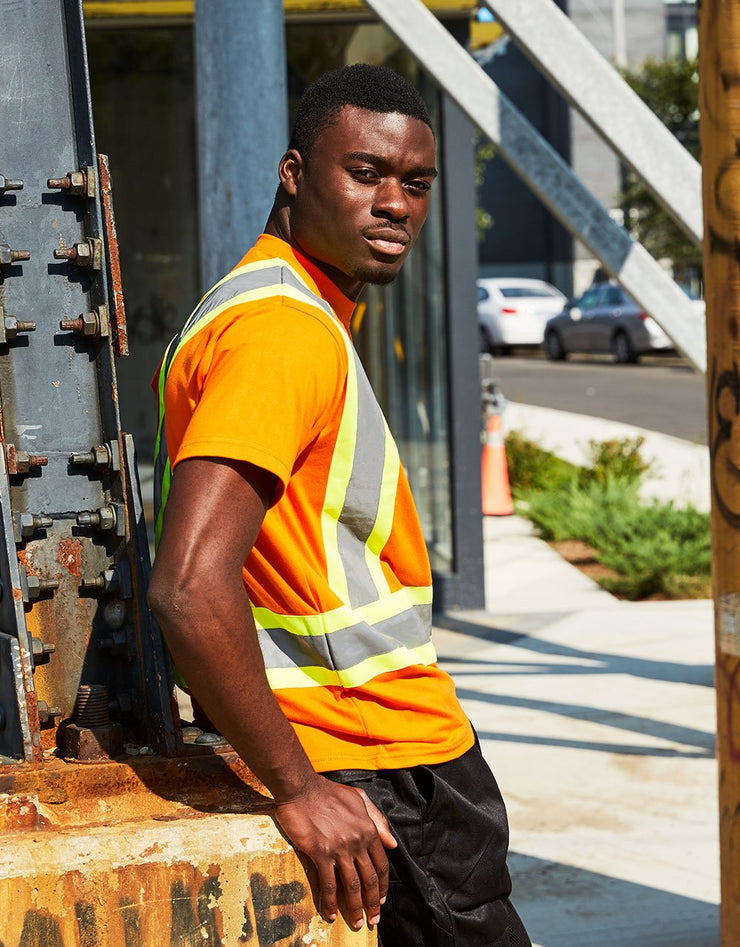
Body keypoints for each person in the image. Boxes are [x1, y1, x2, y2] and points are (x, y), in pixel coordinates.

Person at [148, 64, 530, 947]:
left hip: (377, 755)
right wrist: (300, 787)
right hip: (379, 764)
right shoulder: (282, 331)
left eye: (416, 183)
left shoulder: (277, 310)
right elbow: (189, 584)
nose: (394, 203)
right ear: (294, 174)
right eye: (364, 173)